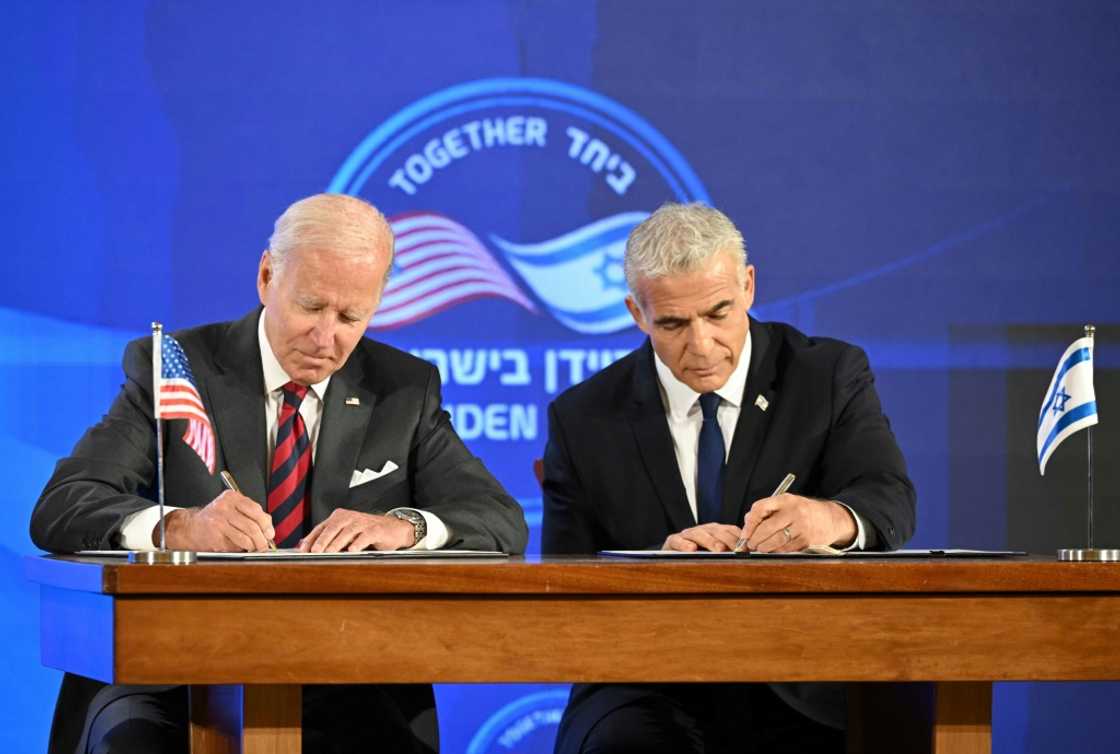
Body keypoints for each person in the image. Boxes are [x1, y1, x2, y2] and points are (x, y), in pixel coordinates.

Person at [31, 193, 529, 754]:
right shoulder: (178, 370)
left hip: (344, 678)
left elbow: (500, 519)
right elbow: (64, 505)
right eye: (311, 307)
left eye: (349, 317)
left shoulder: (402, 389)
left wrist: (406, 528)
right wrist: (178, 528)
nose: (326, 338)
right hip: (172, 674)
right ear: (268, 276)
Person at [541, 202, 916, 754]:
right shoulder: (583, 416)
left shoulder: (825, 376)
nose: (700, 344)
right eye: (672, 323)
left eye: (718, 313)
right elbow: (564, 581)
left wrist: (826, 518)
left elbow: (889, 498)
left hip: (801, 676)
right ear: (637, 314)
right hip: (644, 680)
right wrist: (656, 562)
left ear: (748, 286)